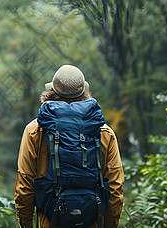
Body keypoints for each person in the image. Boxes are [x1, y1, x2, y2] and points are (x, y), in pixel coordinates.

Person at [15, 65, 124, 228]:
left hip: (51, 221)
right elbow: (115, 188)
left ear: (51, 92)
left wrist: (26, 224)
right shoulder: (104, 132)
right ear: (85, 93)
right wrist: (110, 224)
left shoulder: (35, 130)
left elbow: (25, 185)